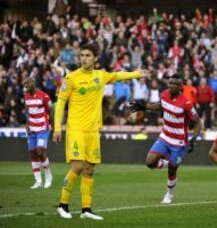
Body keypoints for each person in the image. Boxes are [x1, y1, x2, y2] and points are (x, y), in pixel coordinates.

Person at [53, 44, 149, 220]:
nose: (84, 58)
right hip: (76, 129)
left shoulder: (100, 76)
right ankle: (62, 205)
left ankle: (86, 210)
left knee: (89, 169)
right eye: (82, 55)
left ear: (95, 58)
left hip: (93, 130)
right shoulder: (71, 78)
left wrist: (136, 74)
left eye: (87, 55)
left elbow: (118, 75)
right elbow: (60, 103)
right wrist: (57, 128)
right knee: (77, 166)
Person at [129, 74, 202, 204]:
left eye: (175, 84)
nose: (172, 86)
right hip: (164, 137)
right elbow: (160, 106)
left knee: (172, 170)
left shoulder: (186, 103)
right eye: (170, 83)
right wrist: (144, 106)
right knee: (150, 162)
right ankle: (168, 163)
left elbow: (197, 122)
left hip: (179, 142)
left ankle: (169, 194)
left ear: (180, 86)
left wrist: (194, 139)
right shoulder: (164, 94)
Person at [23, 77, 53, 189]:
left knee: (39, 151)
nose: (26, 85)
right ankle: (38, 181)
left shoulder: (44, 96)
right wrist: (27, 125)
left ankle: (48, 176)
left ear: (33, 83)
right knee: (32, 153)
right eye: (25, 83)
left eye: (28, 82)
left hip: (42, 129)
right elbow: (27, 112)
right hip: (32, 129)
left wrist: (54, 127)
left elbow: (51, 111)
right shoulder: (26, 97)